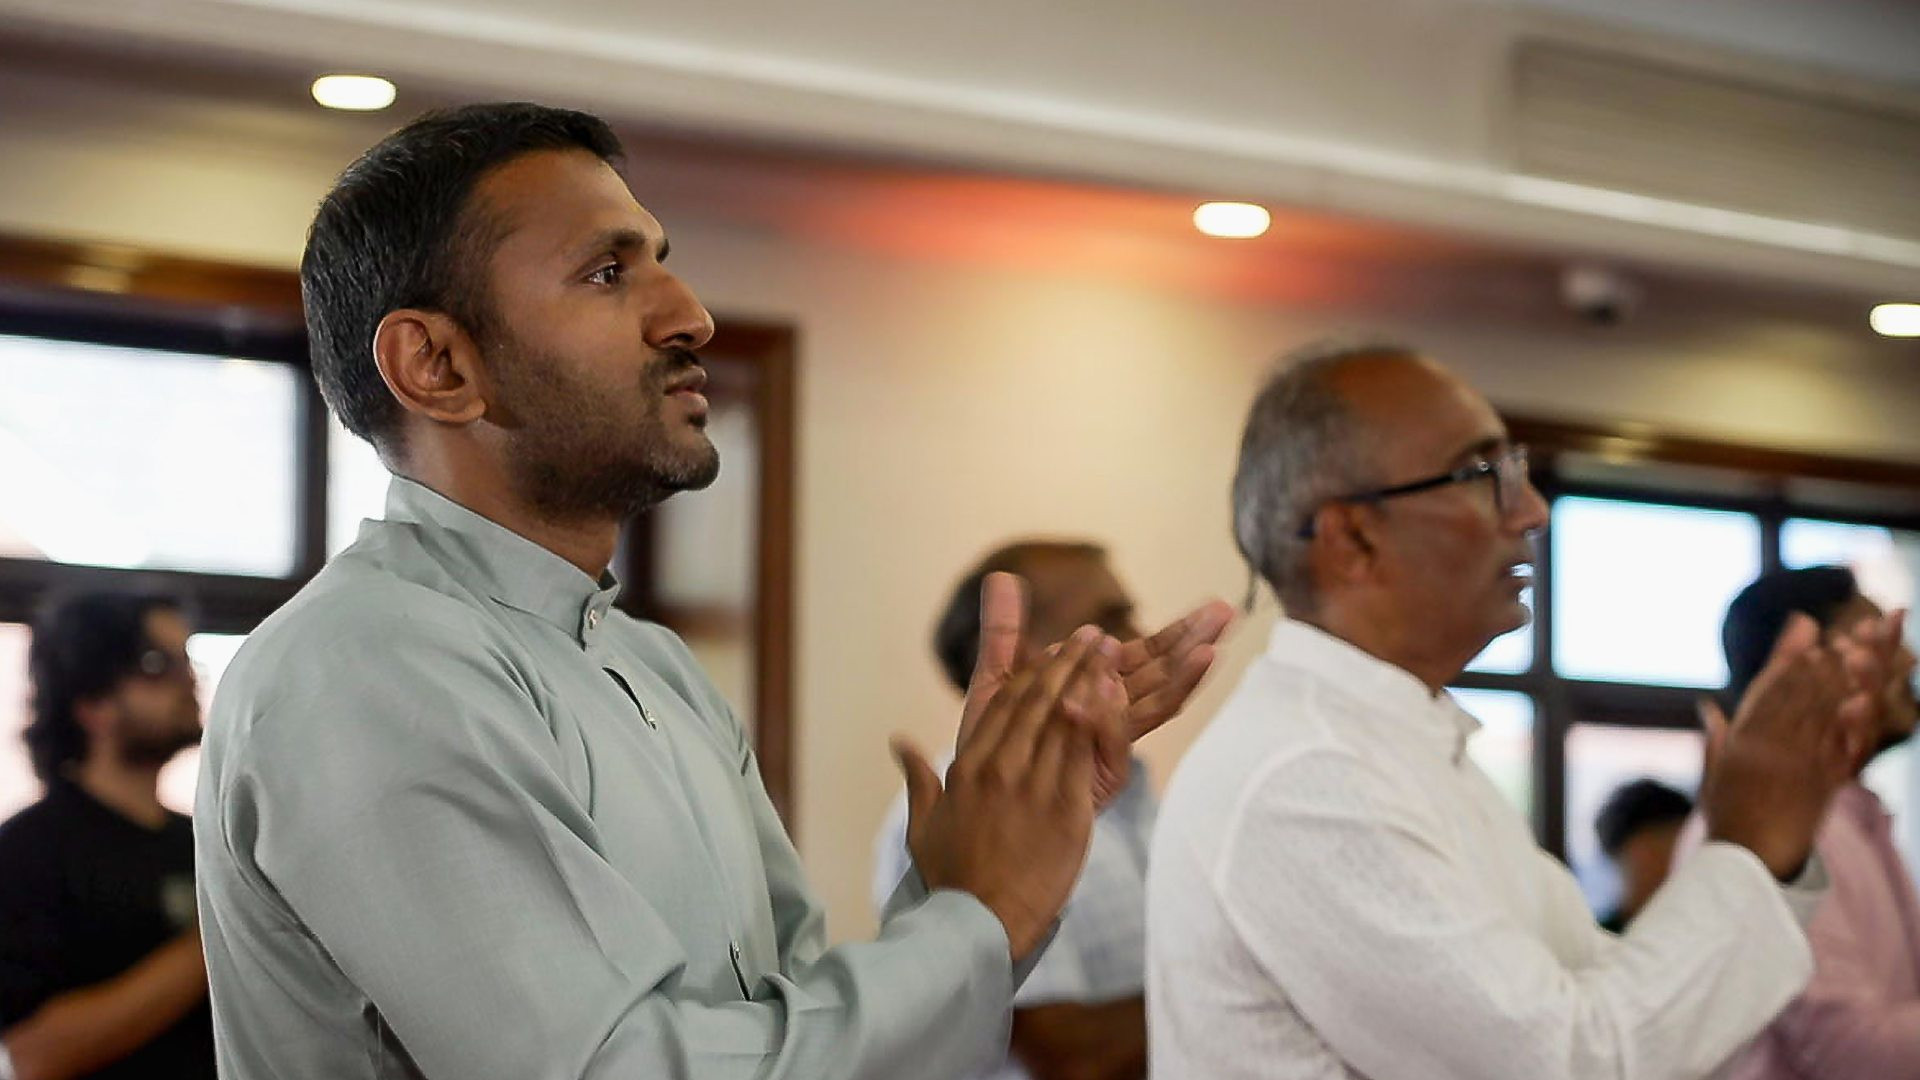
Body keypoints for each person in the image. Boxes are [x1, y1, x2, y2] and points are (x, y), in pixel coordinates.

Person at [193, 102, 1228, 1080]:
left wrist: (983, 875)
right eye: (607, 272)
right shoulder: (363, 666)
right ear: (437, 365)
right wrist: (979, 916)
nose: (690, 316)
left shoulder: (654, 669)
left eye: (661, 263)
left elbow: (790, 1032)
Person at [1146, 340, 1899, 1080]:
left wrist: (1775, 829)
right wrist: (1748, 840)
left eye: (1518, 472)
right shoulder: (1306, 775)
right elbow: (1570, 1061)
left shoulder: (1404, 749)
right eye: (1485, 476)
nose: (1533, 511)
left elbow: (1617, 1000)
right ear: (1354, 539)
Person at [875, 540, 1191, 1080]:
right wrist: (1252, 987)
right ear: (1019, 654)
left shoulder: (1134, 799)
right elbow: (1067, 1057)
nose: (1140, 637)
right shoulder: (958, 816)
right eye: (1111, 621)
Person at [1675, 565, 1920, 1078]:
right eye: (1877, 641)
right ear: (1806, 666)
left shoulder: (1850, 819)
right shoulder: (1778, 827)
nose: (1907, 660)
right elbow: (1851, 1053)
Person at [0, 592, 214, 1080]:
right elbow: (34, 1054)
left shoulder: (201, 842)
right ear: (92, 704)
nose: (187, 679)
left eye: (186, 659)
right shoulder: (28, 851)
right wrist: (216, 940)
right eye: (156, 663)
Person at [1593, 779, 1695, 932]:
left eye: (1676, 846)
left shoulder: (1703, 931)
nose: (1667, 863)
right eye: (1655, 850)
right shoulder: (1596, 938)